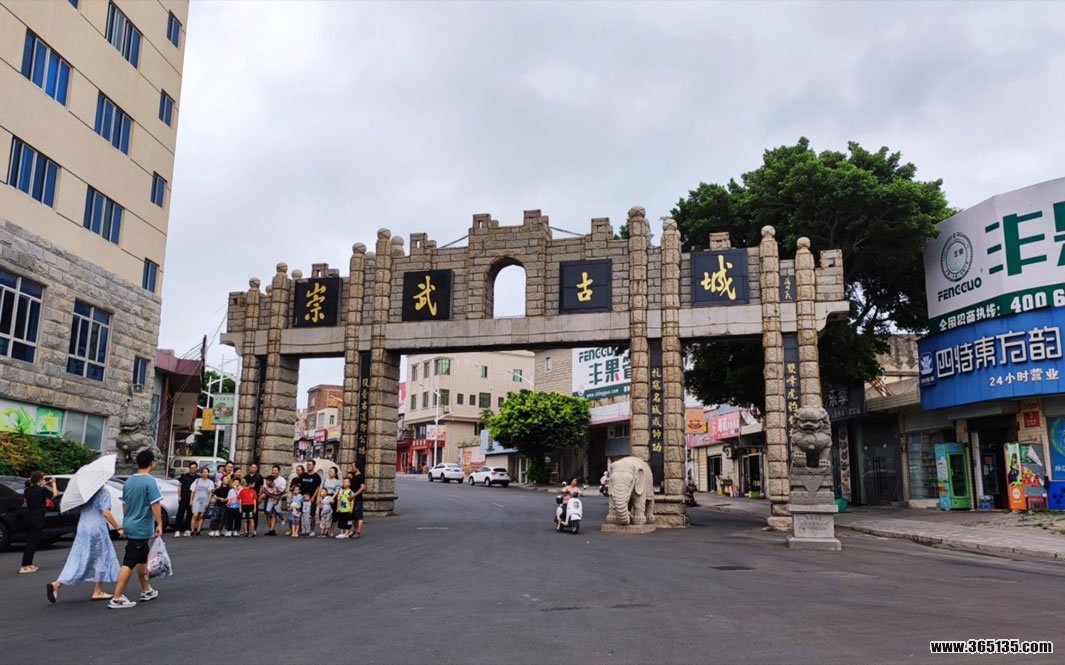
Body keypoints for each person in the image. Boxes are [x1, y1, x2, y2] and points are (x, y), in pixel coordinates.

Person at [47, 486, 121, 603]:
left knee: (77, 557)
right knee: (101, 558)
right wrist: (118, 527)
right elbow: (106, 512)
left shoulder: (85, 491)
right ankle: (98, 591)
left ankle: (58, 583)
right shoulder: (103, 492)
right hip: (97, 528)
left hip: (83, 526)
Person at [109, 450, 163, 609]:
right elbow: (155, 504)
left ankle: (146, 589)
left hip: (130, 523)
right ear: (152, 463)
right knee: (130, 561)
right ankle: (117, 597)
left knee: (141, 559)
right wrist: (160, 524)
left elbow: (125, 503)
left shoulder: (129, 481)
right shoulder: (150, 481)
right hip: (141, 526)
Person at [20, 471, 57, 574]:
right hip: (38, 519)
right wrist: (53, 483)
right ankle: (24, 566)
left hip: (29, 518)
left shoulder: (27, 490)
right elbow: (54, 495)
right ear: (40, 480)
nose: (44, 480)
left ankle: (28, 564)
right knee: (32, 543)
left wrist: (43, 484)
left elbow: (36, 489)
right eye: (43, 479)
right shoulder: (42, 490)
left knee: (31, 542)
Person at [190, 467, 215, 536]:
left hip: (204, 500)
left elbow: (210, 493)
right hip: (196, 499)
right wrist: (191, 500)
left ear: (208, 473)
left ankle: (198, 530)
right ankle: (192, 530)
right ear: (201, 473)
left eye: (206, 472)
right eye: (203, 472)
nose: (204, 473)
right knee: (195, 515)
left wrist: (208, 502)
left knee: (201, 515)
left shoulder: (210, 482)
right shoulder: (197, 480)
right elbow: (192, 491)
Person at [262, 465, 287, 536]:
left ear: (279, 472)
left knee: (274, 514)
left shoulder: (282, 480)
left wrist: (277, 498)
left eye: (275, 470)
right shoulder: (267, 478)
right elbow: (264, 489)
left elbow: (283, 491)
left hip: (277, 498)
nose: (274, 472)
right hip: (269, 497)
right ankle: (272, 530)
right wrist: (262, 496)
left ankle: (272, 529)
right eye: (273, 470)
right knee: (267, 513)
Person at [300, 461, 322, 531]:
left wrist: (314, 497)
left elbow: (318, 488)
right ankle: (303, 529)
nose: (308, 466)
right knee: (302, 513)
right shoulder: (303, 475)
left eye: (310, 465)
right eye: (307, 465)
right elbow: (300, 486)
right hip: (303, 498)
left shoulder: (316, 476)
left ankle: (312, 530)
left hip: (312, 498)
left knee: (312, 515)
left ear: (314, 466)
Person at [243, 463, 265, 531]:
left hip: (255, 497)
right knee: (246, 513)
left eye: (255, 468)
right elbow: (243, 487)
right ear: (249, 467)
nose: (253, 469)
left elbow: (261, 487)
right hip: (247, 497)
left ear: (257, 469)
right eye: (252, 467)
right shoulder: (245, 477)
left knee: (254, 513)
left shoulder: (259, 477)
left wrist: (260, 496)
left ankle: (254, 529)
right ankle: (246, 529)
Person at [349, 465, 366, 539]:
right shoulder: (353, 476)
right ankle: (355, 530)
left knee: (359, 516)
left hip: (358, 499)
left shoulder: (360, 476)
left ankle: (358, 532)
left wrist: (354, 495)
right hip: (352, 500)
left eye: (352, 466)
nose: (351, 468)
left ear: (357, 467)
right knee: (354, 516)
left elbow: (363, 487)